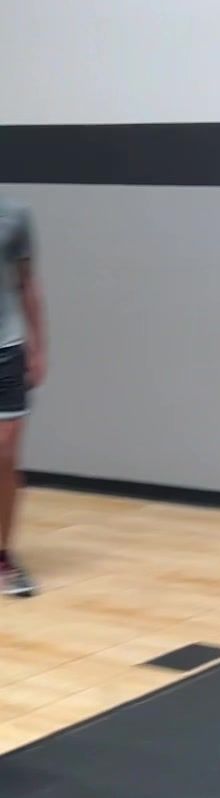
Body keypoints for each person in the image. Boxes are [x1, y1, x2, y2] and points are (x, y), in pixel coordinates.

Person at [0, 198, 46, 597]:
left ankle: (2, 558)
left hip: (7, 349)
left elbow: (27, 282)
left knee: (5, 454)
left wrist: (39, 346)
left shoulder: (14, 217)